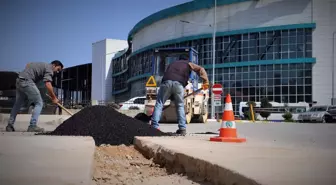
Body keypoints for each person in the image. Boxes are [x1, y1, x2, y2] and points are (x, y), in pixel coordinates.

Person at [150, 55, 209, 135]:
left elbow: (168, 76)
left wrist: (171, 95)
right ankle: (182, 129)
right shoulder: (189, 64)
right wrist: (206, 82)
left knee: (159, 104)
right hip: (179, 85)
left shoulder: (172, 64)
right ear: (187, 60)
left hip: (166, 83)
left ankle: (154, 126)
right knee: (180, 106)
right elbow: (200, 69)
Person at [6, 60, 64, 132]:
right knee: (39, 103)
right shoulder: (49, 68)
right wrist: (54, 98)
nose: (57, 72)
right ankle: (32, 126)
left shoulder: (41, 64)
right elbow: (48, 84)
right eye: (58, 69)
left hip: (19, 80)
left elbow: (28, 64)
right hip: (27, 81)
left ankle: (9, 125)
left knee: (17, 104)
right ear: (54, 65)